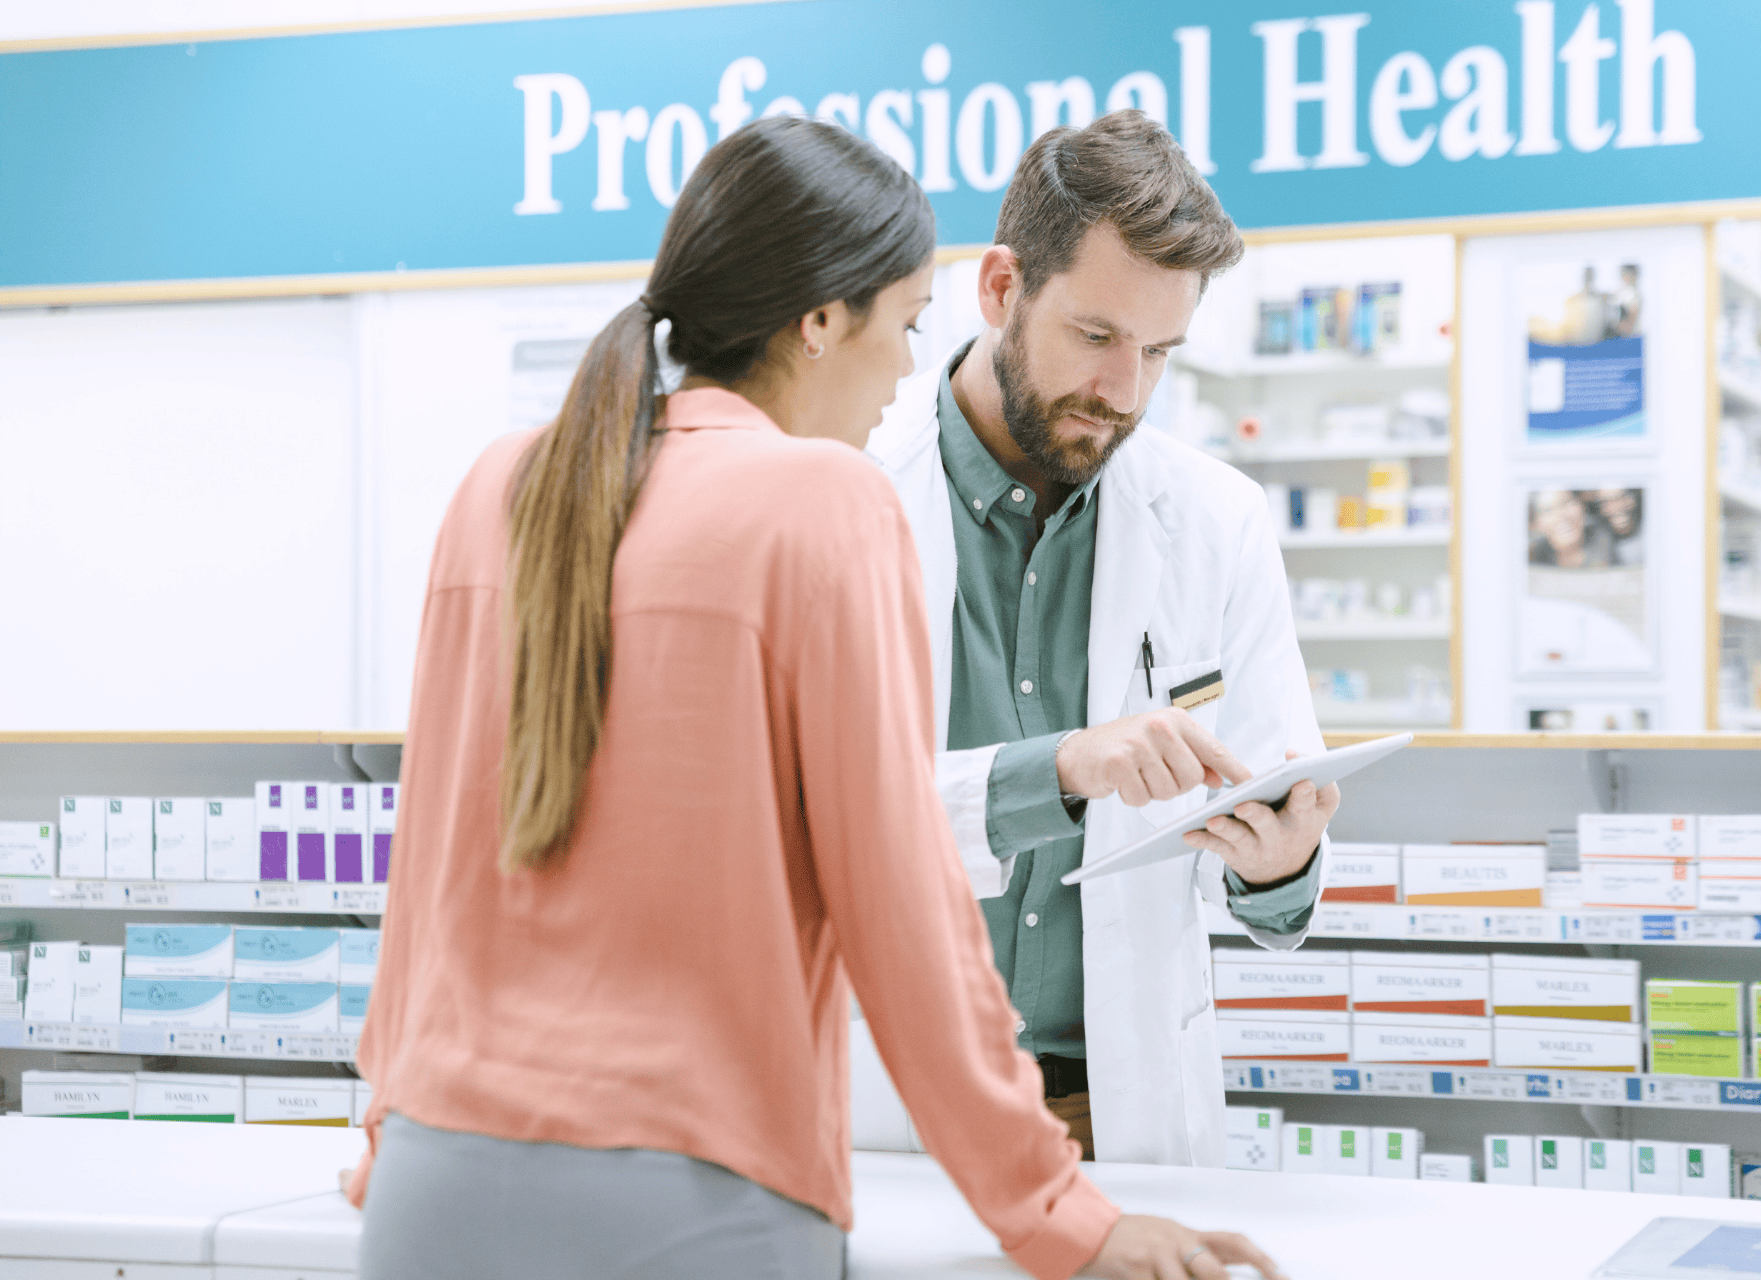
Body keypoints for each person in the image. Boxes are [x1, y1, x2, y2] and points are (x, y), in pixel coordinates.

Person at [347, 116, 1281, 1280]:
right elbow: (903, 909)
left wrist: (385, 1131)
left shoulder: (506, 480)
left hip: (434, 1180)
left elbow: (428, 854)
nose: (905, 370)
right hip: (695, 1196)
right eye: (902, 324)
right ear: (821, 319)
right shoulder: (828, 504)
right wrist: (1058, 1214)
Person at [863, 110, 1338, 1167]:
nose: (1125, 392)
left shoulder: (1216, 519)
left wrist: (1282, 860)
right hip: (894, 1107)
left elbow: (1267, 869)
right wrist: (1065, 767)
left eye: (1159, 351)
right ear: (1000, 289)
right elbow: (814, 818)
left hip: (1108, 1116)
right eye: (1096, 336)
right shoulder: (846, 489)